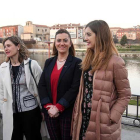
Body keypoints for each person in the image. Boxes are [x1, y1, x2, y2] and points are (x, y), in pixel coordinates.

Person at [71, 20, 131, 140]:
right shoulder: (88, 60)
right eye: (84, 35)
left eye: (88, 34)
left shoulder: (116, 62)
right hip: (84, 119)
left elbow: (125, 95)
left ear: (100, 35)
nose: (85, 38)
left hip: (103, 123)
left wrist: (111, 117)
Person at [38, 29, 82, 140]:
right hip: (50, 112)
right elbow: (41, 85)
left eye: (65, 40)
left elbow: (74, 88)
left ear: (70, 43)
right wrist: (48, 106)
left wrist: (58, 107)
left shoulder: (77, 63)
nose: (61, 43)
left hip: (67, 112)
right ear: (55, 43)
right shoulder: (49, 62)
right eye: (59, 40)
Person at [0, 36, 43, 140]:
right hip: (11, 113)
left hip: (31, 112)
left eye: (9, 45)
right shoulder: (3, 67)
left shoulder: (32, 65)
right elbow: (1, 91)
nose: (6, 48)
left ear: (18, 46)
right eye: (5, 46)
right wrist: (2, 108)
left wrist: (43, 110)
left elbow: (42, 88)